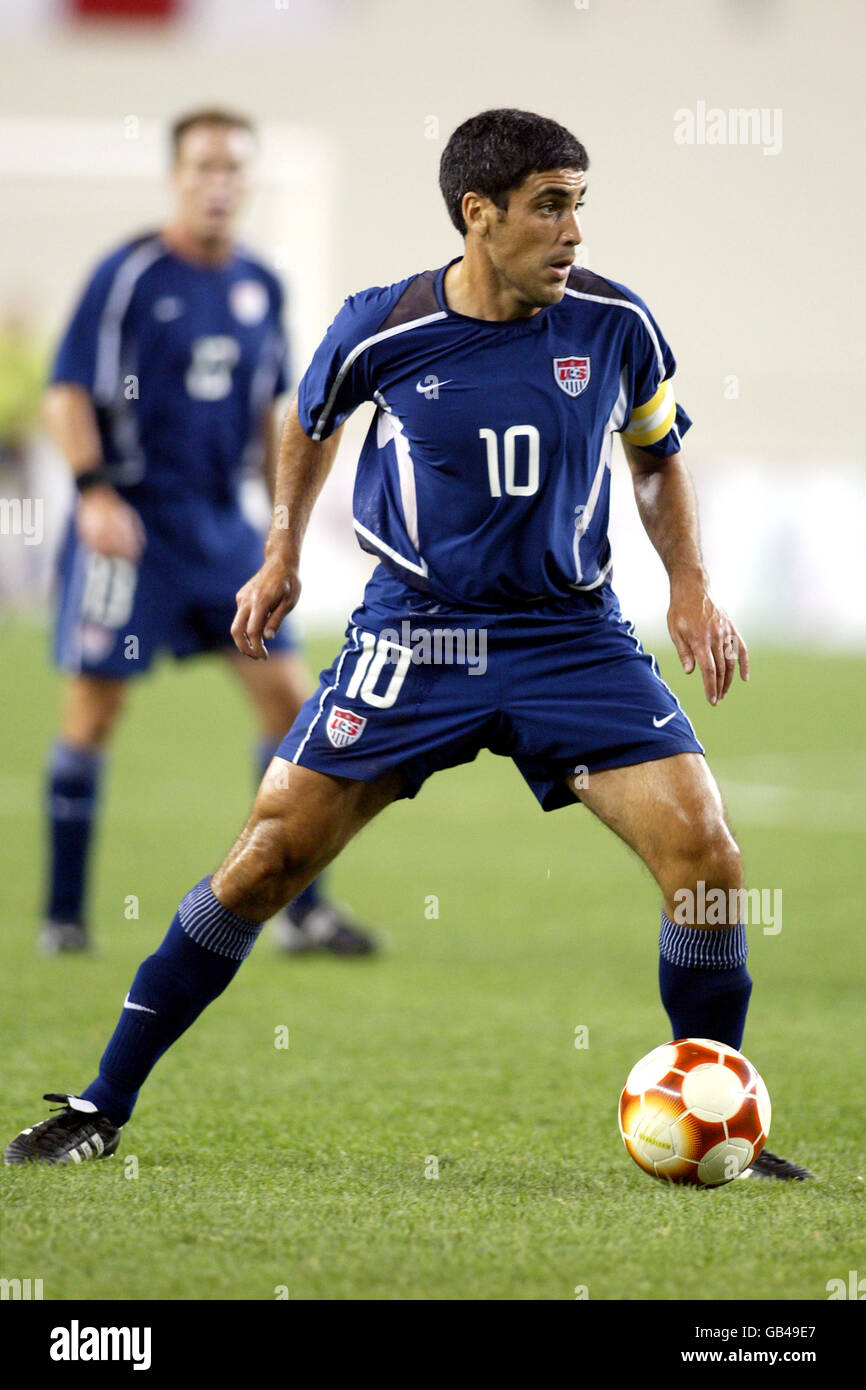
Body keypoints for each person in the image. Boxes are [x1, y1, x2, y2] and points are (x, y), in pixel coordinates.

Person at [7, 108, 810, 1178]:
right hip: (417, 635)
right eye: (549, 207)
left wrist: (691, 587)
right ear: (478, 216)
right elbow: (306, 420)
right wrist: (282, 554)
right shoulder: (383, 325)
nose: (573, 232)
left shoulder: (617, 324)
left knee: (706, 859)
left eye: (578, 204)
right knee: (266, 858)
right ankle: (101, 1103)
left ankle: (718, 1115)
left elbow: (655, 457)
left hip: (572, 638)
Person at [40, 106, 376, 960]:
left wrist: (287, 525)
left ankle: (300, 912)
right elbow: (67, 390)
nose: (220, 183)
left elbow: (277, 416)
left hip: (221, 529)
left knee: (295, 704)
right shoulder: (129, 275)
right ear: (176, 177)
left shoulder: (260, 284)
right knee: (94, 708)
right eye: (204, 167)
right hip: (131, 526)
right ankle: (64, 917)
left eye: (235, 169)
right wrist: (90, 493)